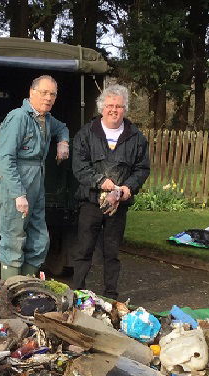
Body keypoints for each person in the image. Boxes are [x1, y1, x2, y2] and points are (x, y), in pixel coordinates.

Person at [71, 83, 150, 300]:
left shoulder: (136, 137)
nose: (114, 110)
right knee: (84, 251)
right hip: (91, 202)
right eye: (110, 106)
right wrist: (100, 181)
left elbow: (142, 168)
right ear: (101, 108)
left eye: (119, 106)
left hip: (119, 206)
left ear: (125, 109)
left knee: (112, 253)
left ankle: (111, 297)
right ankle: (77, 293)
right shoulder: (86, 134)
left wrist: (128, 188)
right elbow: (79, 167)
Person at [0, 75, 70, 280]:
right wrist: (18, 194)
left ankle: (26, 286)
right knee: (14, 238)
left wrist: (63, 142)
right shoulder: (19, 118)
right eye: (44, 93)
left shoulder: (46, 119)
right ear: (32, 93)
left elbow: (62, 127)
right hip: (17, 182)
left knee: (40, 240)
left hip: (37, 182)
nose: (48, 98)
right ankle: (10, 291)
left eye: (52, 94)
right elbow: (5, 158)